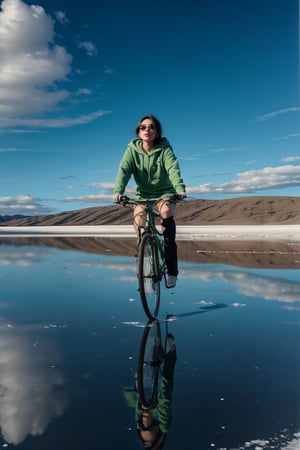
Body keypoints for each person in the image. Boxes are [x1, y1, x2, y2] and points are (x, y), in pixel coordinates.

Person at [113, 114, 186, 288]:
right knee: (138, 220)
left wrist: (179, 188)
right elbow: (124, 170)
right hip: (143, 194)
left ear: (157, 131)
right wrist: (118, 191)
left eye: (151, 127)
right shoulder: (131, 150)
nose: (147, 130)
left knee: (166, 213)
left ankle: (172, 270)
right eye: (143, 127)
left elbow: (172, 167)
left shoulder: (165, 148)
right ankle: (143, 249)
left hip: (165, 193)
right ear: (138, 131)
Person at [124, 333, 177, 449]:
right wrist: (169, 364)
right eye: (148, 426)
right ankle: (167, 357)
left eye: (142, 426)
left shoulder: (139, 415)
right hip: (160, 377)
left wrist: (137, 380)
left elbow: (138, 396)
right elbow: (165, 399)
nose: (144, 423)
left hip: (147, 376)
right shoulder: (162, 422)